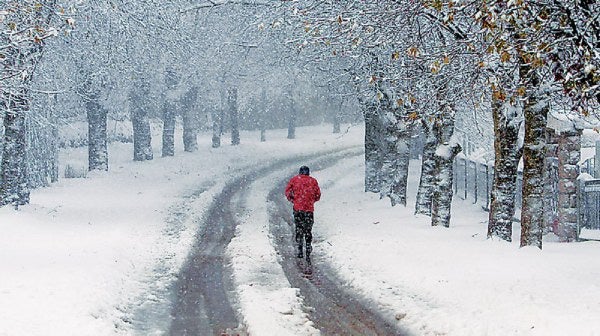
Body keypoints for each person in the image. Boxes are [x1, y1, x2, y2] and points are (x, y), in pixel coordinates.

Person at [285, 165, 321, 263]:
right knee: (308, 229)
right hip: (309, 209)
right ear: (308, 172)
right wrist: (311, 200)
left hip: (298, 208)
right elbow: (318, 195)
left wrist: (293, 200)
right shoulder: (313, 181)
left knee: (299, 227)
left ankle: (300, 247)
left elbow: (288, 192)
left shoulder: (294, 180)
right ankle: (308, 246)